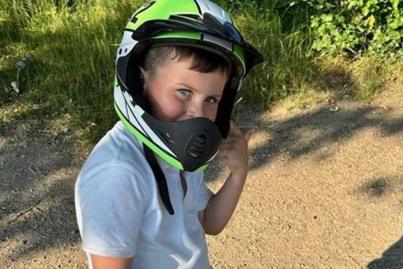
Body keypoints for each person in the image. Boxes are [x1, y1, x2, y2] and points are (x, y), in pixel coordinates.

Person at [74, 0, 263, 268]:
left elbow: (209, 223)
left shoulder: (176, 149)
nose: (197, 113)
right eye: (184, 92)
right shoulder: (117, 173)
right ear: (139, 81)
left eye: (211, 99)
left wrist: (238, 173)